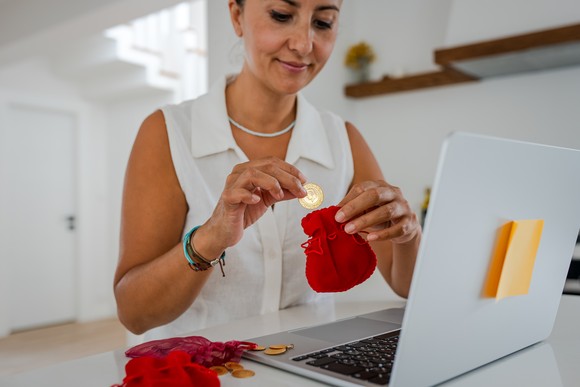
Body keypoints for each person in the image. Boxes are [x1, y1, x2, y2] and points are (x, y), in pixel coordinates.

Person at [113, 0, 421, 339]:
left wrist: (409, 235)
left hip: (308, 365)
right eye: (281, 15)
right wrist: (210, 238)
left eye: (323, 22)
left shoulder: (343, 138)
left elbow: (405, 284)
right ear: (236, 16)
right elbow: (134, 313)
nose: (304, 44)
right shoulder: (168, 132)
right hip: (205, 371)